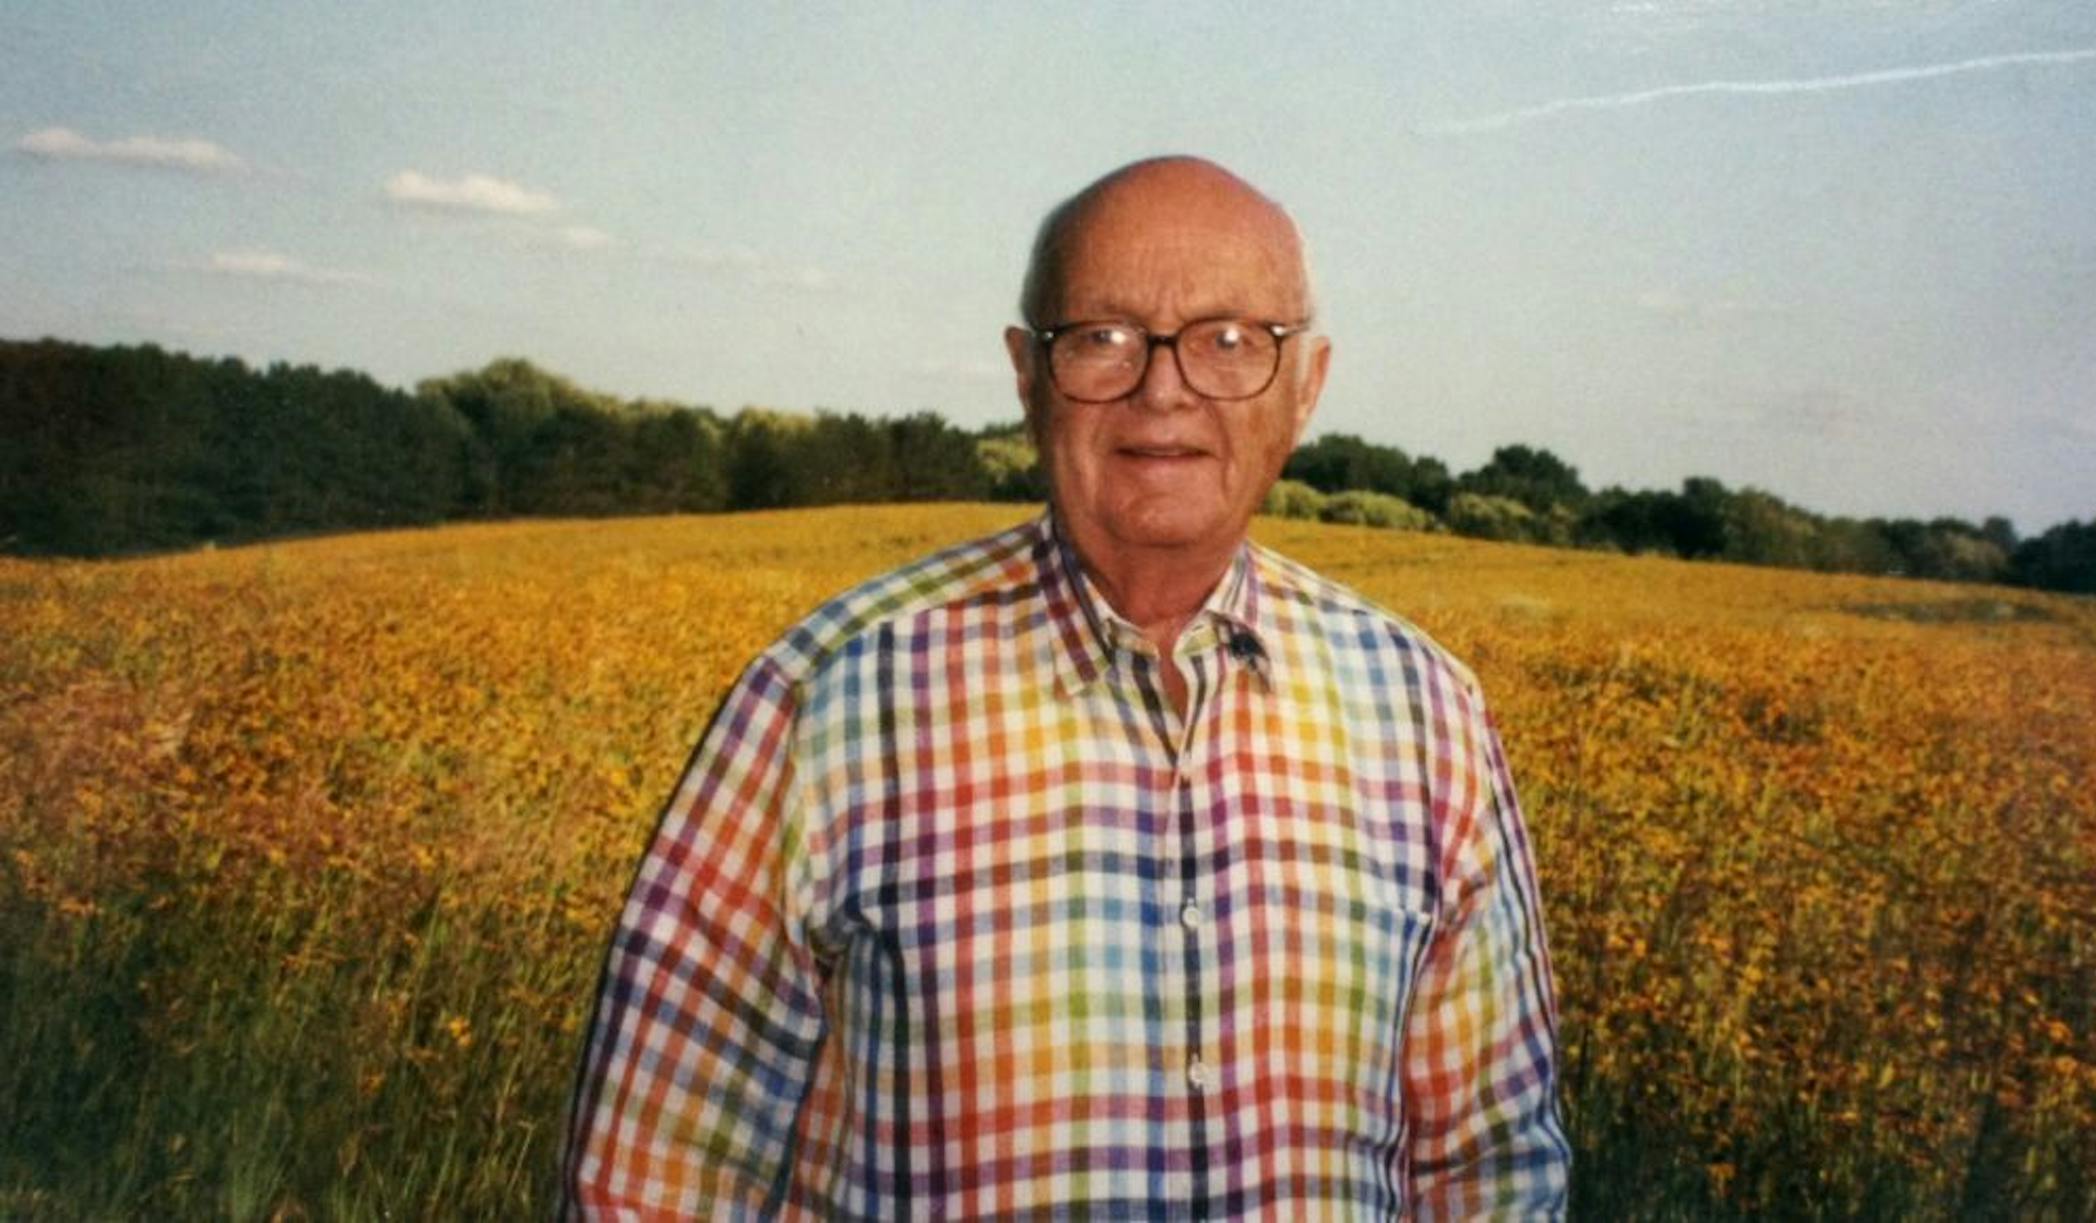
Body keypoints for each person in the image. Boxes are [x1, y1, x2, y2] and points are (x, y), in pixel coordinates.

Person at [562, 156, 1569, 1218]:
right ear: (1027, 374)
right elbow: (652, 1176)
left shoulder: (1425, 712)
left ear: (1307, 385)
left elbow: (1491, 1169)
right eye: (1103, 337)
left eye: (1231, 341)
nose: (1163, 389)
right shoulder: (831, 695)